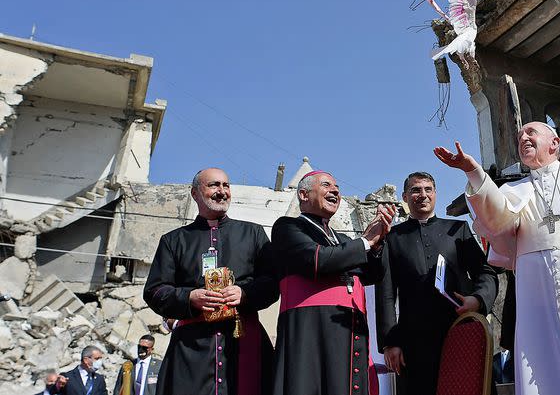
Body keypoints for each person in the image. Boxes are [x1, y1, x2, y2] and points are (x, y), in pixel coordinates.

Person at [435, 123, 560, 395]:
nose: (523, 138)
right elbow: (496, 218)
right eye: (519, 136)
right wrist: (473, 171)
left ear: (554, 143)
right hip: (534, 292)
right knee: (538, 360)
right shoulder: (515, 190)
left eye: (531, 133)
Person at [144, 168, 279, 395]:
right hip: (191, 349)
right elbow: (155, 291)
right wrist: (189, 297)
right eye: (214, 185)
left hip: (244, 341)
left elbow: (273, 282)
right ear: (195, 193)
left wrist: (245, 294)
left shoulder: (253, 234)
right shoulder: (173, 241)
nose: (222, 191)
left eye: (226, 185)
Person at [271, 170, 396, 395]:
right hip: (310, 334)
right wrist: (366, 241)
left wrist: (377, 245)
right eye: (327, 185)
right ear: (303, 194)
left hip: (349, 332)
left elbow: (372, 274)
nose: (336, 191)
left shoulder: (343, 239)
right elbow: (317, 260)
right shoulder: (288, 227)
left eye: (337, 187)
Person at [375, 171, 498, 394]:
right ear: (404, 196)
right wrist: (390, 342)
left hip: (460, 330)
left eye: (427, 189)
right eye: (415, 190)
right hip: (414, 341)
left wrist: (478, 299)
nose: (422, 195)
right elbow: (386, 293)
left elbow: (486, 271)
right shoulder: (392, 237)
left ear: (435, 194)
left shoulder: (457, 230)